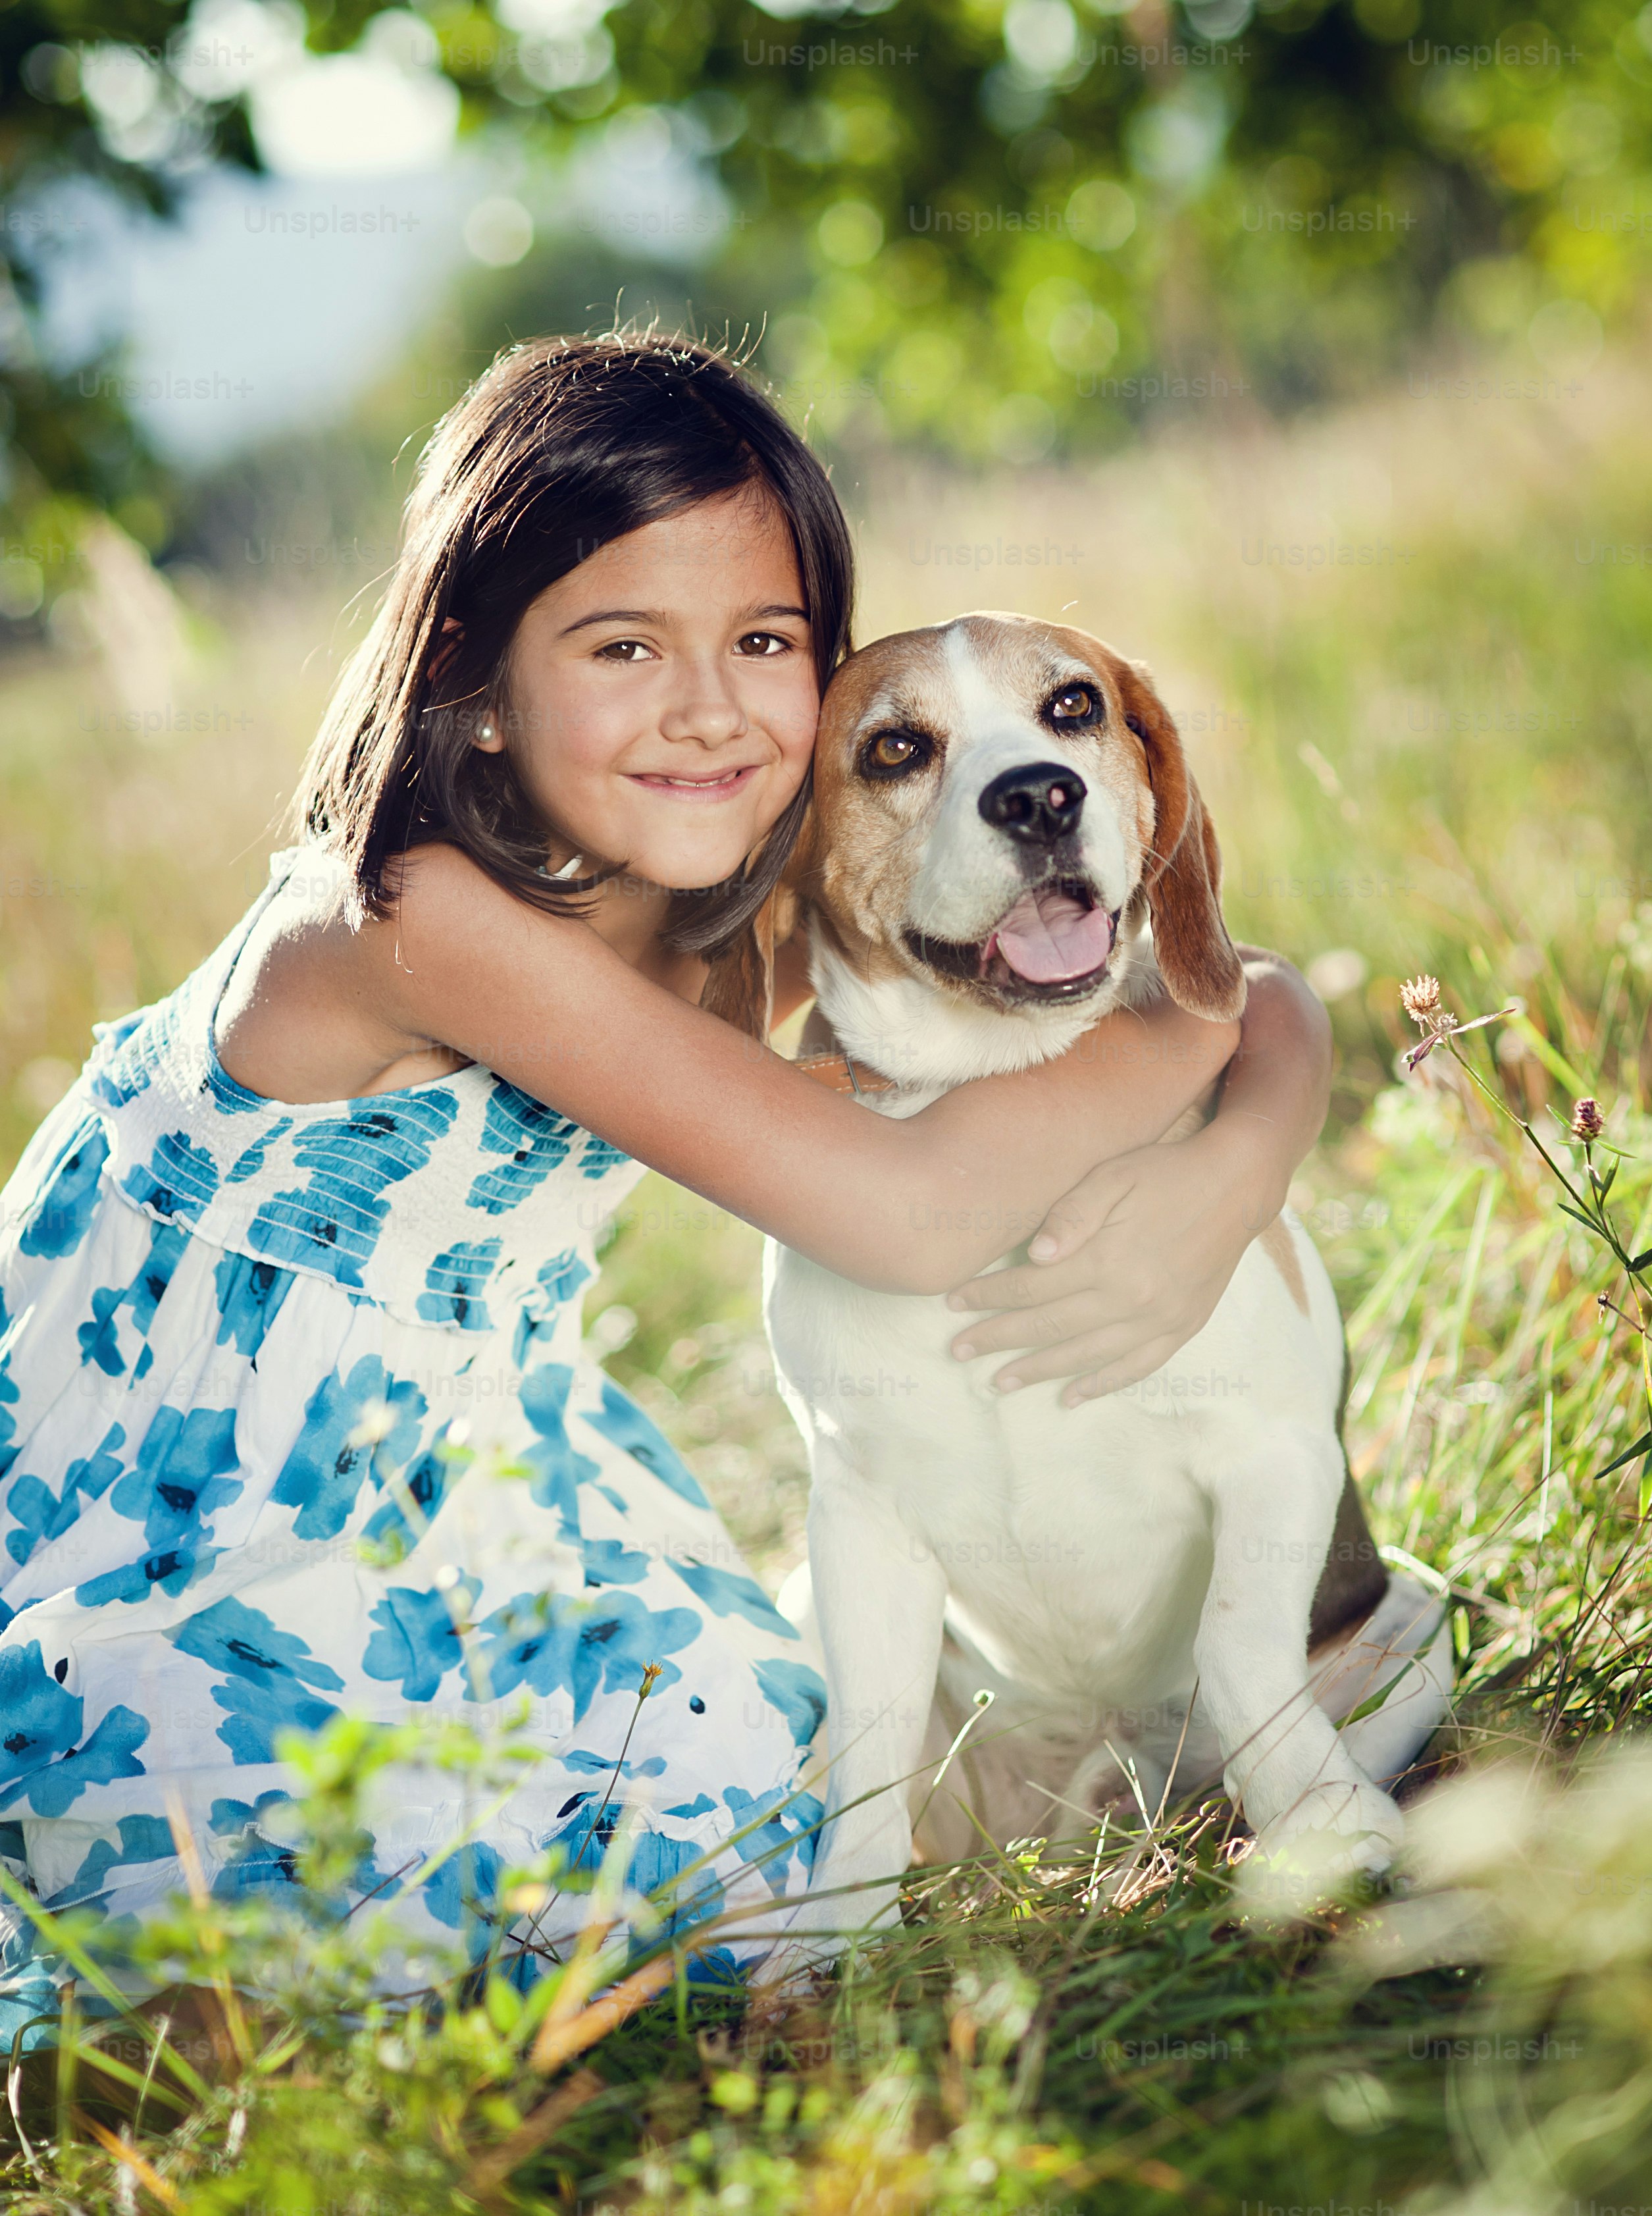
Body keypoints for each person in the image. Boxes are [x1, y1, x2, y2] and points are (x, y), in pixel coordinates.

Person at [0, 334, 1330, 2042]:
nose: (709, 708)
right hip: (189, 1519)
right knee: (296, 1833)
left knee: (782, 1782)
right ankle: (167, 2028)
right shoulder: (412, 916)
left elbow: (1219, 975)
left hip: (459, 1479)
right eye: (624, 645)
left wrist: (1244, 1140)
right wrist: (1212, 1088)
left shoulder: (707, 897)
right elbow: (908, 1208)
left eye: (765, 644)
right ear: (474, 675)